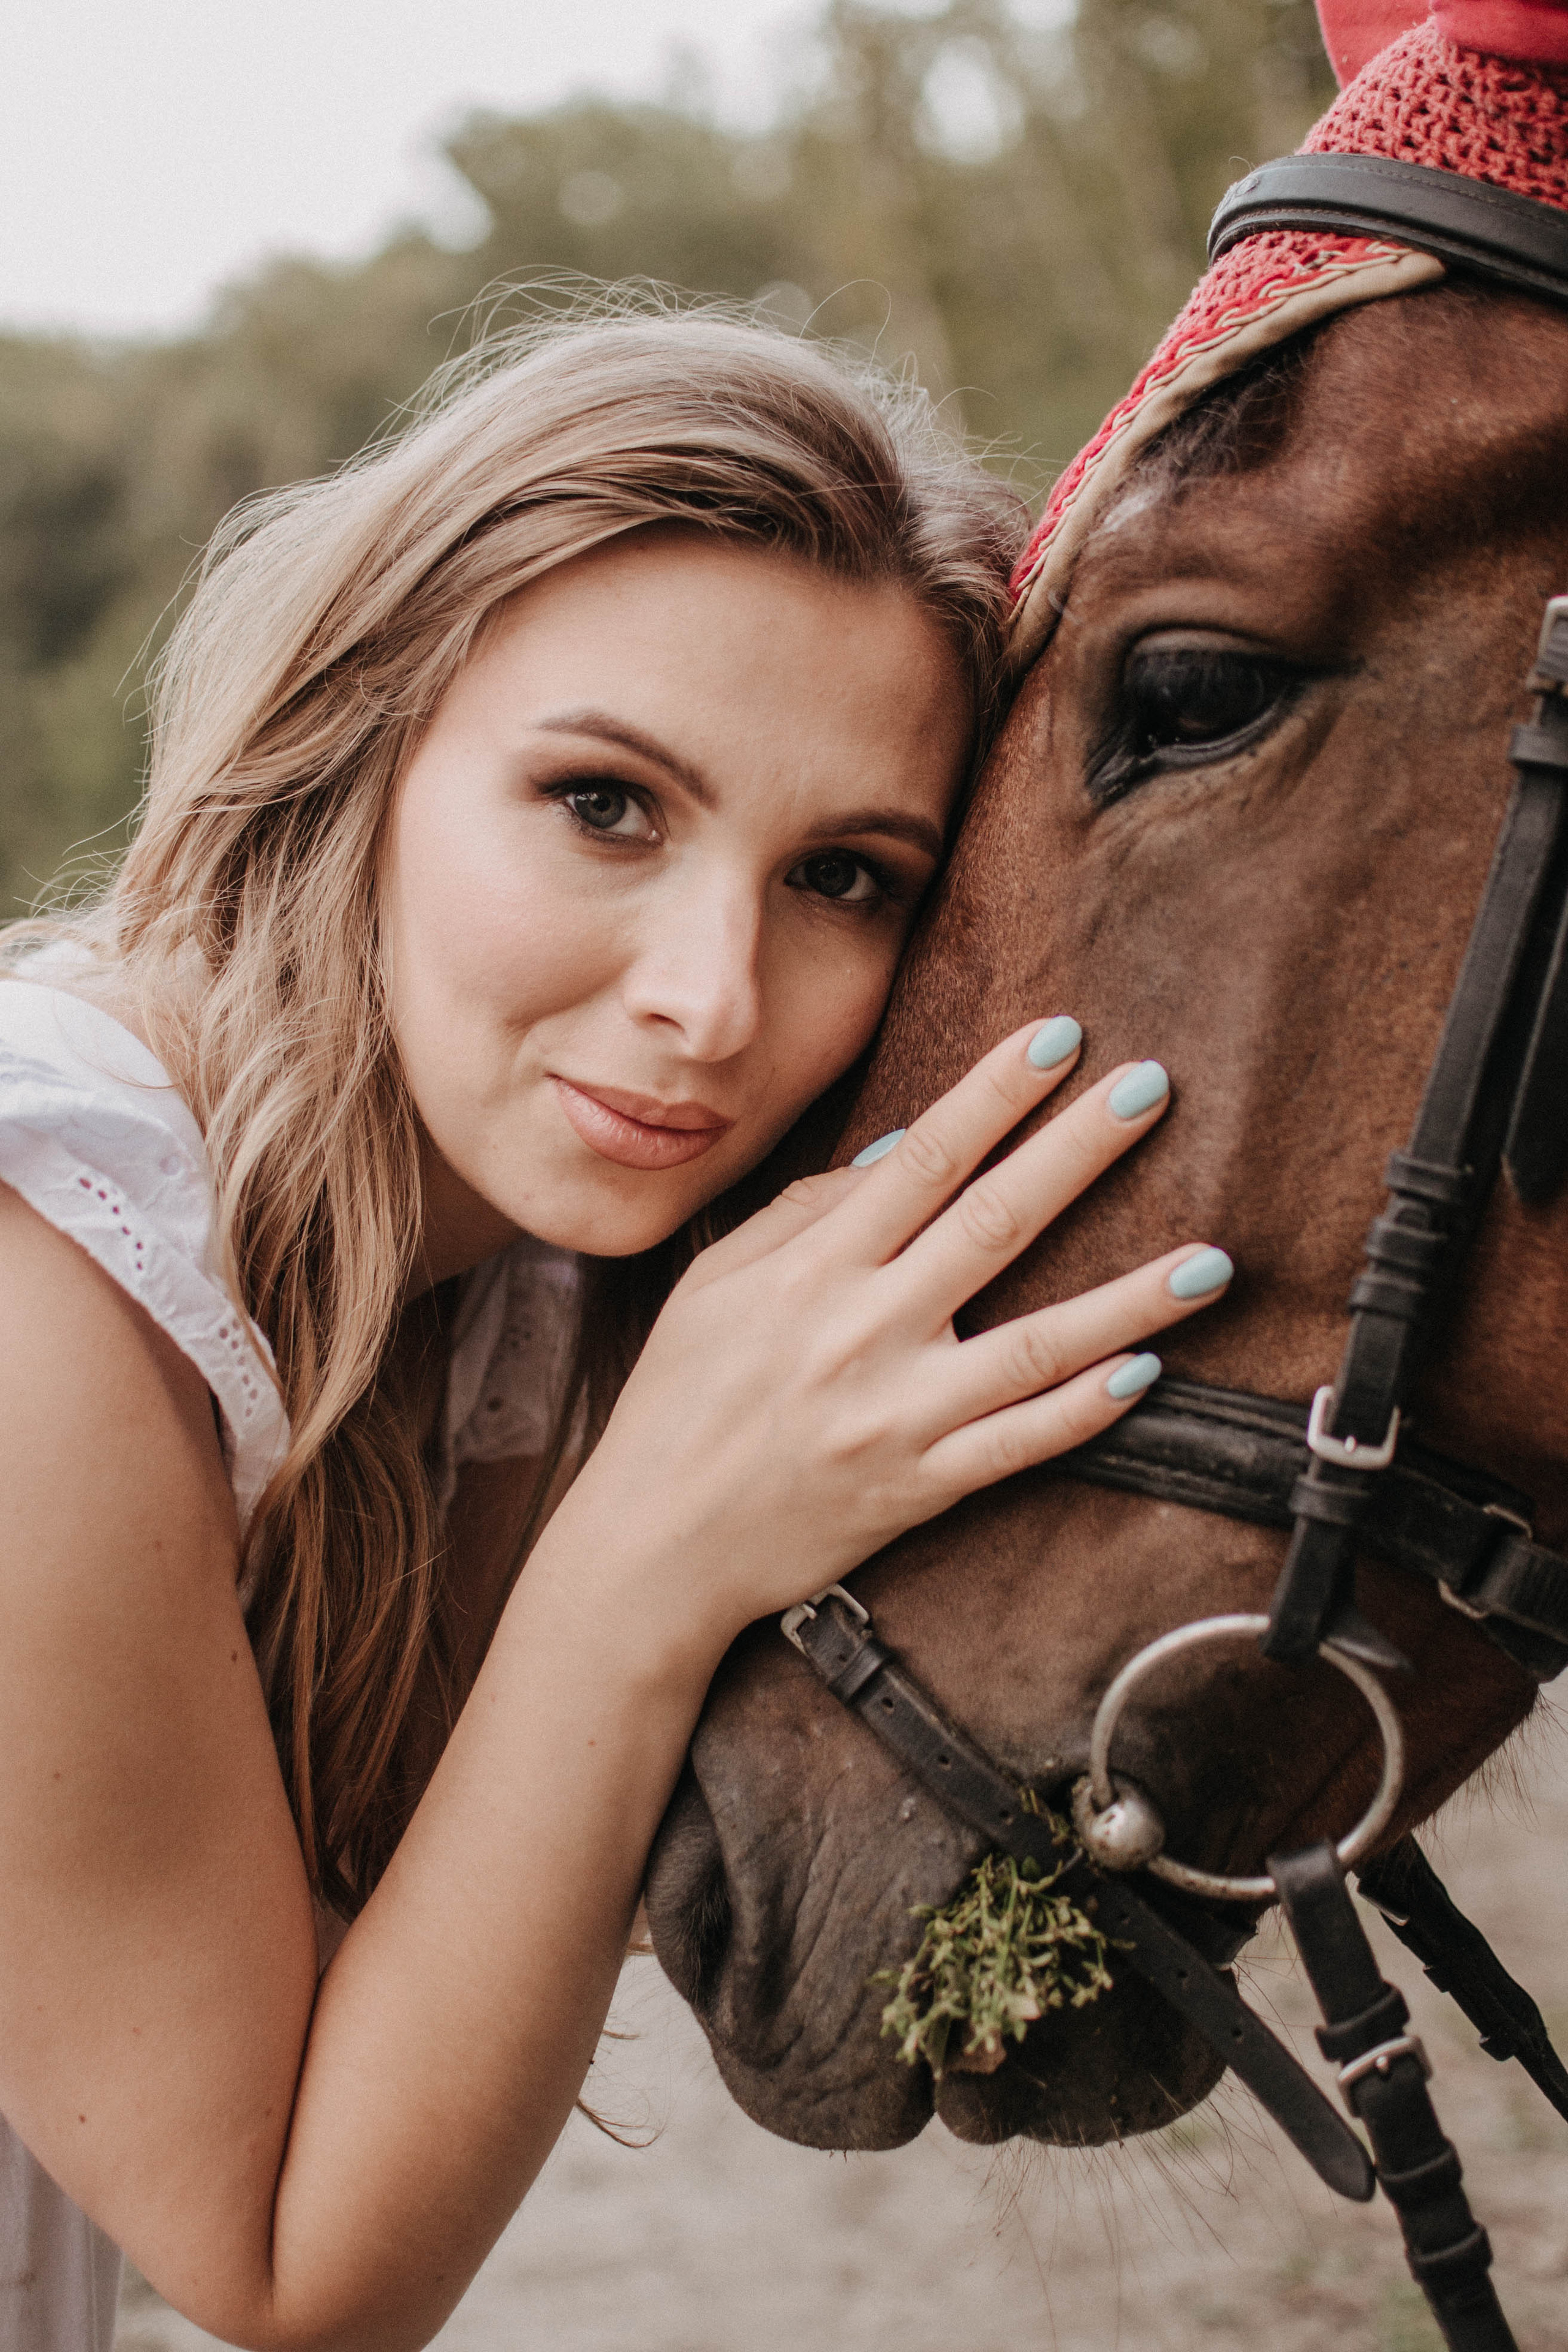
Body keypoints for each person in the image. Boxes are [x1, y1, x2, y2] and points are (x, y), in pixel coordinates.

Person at [0, 302, 1232, 2352]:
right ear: (362, 742)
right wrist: (647, 1555)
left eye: (844, 873)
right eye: (605, 806)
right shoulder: (48, 1262)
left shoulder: (526, 1288)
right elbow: (292, 2264)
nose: (714, 1000)